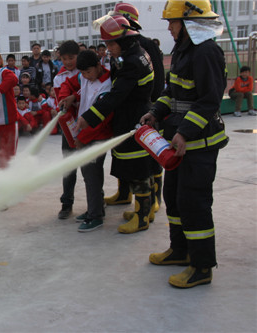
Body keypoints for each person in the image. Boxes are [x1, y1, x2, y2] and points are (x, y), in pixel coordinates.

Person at [141, 0, 228, 288]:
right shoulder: (183, 50)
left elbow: (209, 100)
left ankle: (202, 266)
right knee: (175, 199)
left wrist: (186, 132)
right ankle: (179, 251)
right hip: (179, 141)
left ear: (189, 22)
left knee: (195, 204)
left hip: (199, 144)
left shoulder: (206, 52)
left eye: (173, 22)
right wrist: (156, 113)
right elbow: (172, 91)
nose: (169, 27)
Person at [77, 15, 155, 234]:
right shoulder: (133, 54)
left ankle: (141, 218)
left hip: (134, 119)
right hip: (133, 116)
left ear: (123, 41)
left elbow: (116, 95)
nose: (108, 49)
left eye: (111, 43)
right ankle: (143, 210)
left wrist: (88, 117)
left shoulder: (131, 62)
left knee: (138, 168)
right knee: (133, 167)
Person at [104, 2, 166, 222]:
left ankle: (152, 199)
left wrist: (155, 107)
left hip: (145, 110)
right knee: (124, 157)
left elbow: (158, 79)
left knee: (146, 160)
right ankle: (124, 194)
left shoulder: (143, 46)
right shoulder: (119, 47)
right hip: (125, 109)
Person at [58, 50, 112, 232]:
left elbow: (101, 119)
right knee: (90, 174)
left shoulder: (107, 85)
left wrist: (81, 138)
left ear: (98, 66)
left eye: (88, 72)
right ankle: (95, 208)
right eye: (82, 73)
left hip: (97, 136)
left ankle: (95, 216)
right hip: (85, 134)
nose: (85, 77)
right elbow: (70, 85)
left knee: (91, 176)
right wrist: (72, 96)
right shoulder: (86, 78)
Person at [52, 40, 80, 219]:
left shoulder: (85, 71)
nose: (68, 62)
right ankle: (66, 203)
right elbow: (59, 102)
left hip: (88, 125)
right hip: (69, 127)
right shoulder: (59, 78)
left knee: (90, 168)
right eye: (65, 59)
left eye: (72, 58)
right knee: (69, 166)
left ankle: (97, 203)